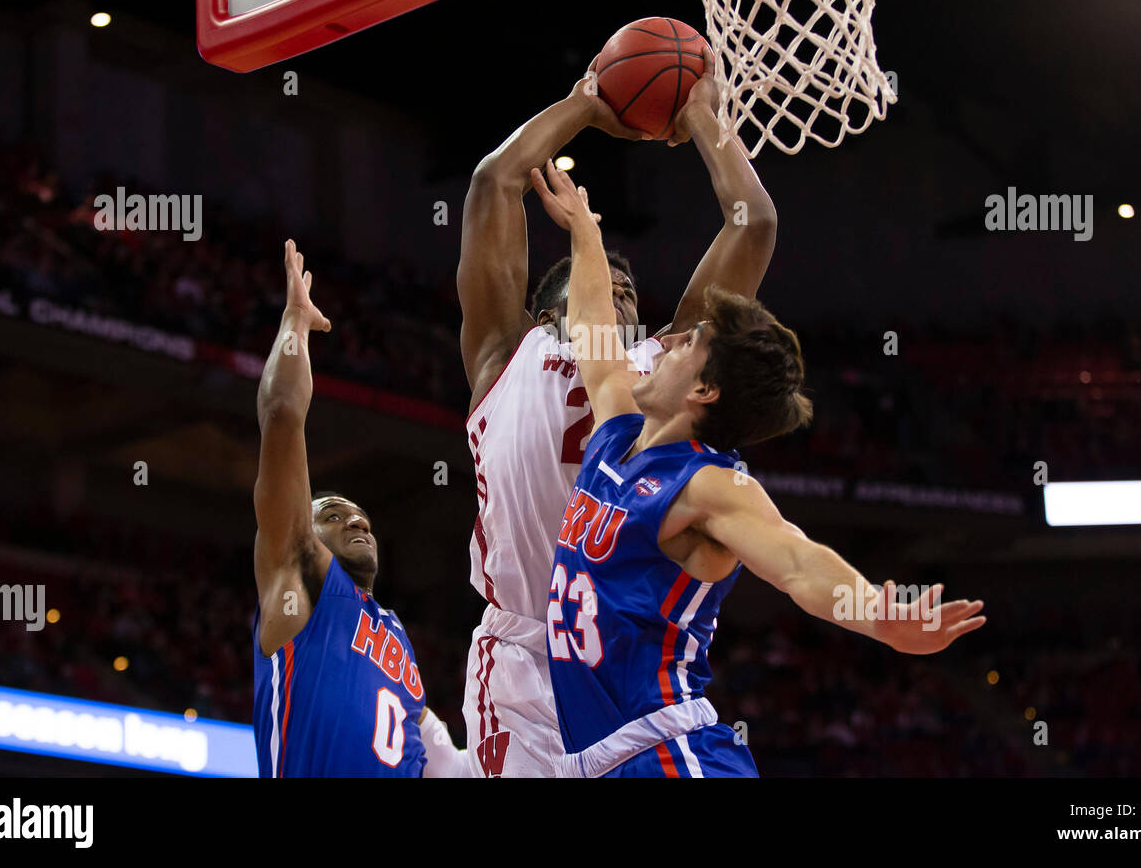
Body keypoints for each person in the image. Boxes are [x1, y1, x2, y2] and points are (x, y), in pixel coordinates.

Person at [529, 161, 988, 777]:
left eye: (689, 343)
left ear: (707, 391)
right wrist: (584, 232)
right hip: (600, 760)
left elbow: (797, 563)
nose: (665, 343)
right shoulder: (617, 433)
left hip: (669, 753)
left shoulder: (710, 484)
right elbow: (592, 329)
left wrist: (878, 612)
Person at [457, 57, 778, 776]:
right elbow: (493, 182)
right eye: (611, 281)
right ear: (549, 306)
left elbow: (753, 222)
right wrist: (587, 104)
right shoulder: (502, 355)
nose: (625, 292)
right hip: (523, 660)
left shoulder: (663, 364)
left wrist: (700, 116)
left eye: (632, 290)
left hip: (628, 652)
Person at [251, 240, 468, 777]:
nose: (356, 519)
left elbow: (448, 763)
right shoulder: (297, 582)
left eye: (360, 516)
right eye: (331, 515)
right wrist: (295, 326)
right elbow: (281, 413)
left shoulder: (395, 637)